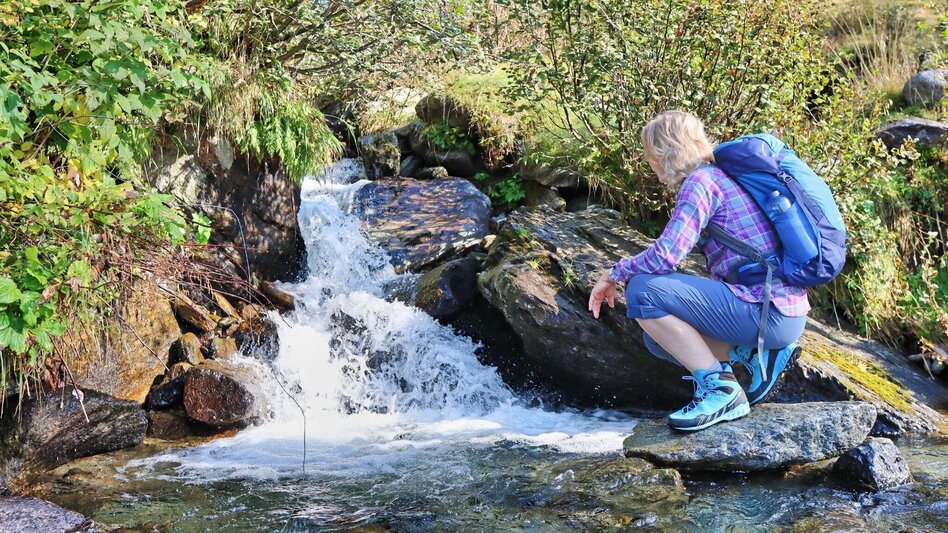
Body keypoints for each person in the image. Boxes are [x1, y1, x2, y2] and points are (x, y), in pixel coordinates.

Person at [587, 110, 809, 432]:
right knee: (659, 339)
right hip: (779, 313)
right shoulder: (722, 176)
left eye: (650, 158)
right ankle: (759, 355)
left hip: (767, 311)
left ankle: (723, 393)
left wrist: (614, 273)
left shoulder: (701, 182)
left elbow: (666, 256)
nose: (651, 167)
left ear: (665, 153)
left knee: (642, 291)